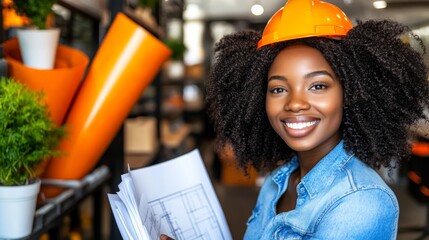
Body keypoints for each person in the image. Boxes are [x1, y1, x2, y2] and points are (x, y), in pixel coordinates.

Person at [162, 0, 429, 239]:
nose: (295, 103)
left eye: (318, 86)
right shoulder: (278, 181)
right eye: (278, 89)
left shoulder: (361, 201)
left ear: (351, 93)